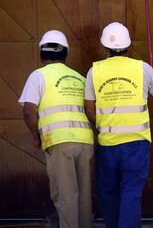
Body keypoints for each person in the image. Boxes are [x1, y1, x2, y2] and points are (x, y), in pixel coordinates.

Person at [84, 22, 153, 228]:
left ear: (105, 47)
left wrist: (105, 124)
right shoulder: (143, 68)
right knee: (131, 192)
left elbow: (89, 109)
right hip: (136, 144)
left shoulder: (94, 72)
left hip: (108, 144)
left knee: (108, 192)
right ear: (129, 44)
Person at [19, 30, 94, 228]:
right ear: (65, 54)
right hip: (85, 141)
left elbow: (28, 111)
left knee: (66, 195)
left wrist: (36, 137)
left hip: (60, 141)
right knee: (84, 195)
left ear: (41, 53)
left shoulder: (38, 76)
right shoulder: (79, 78)